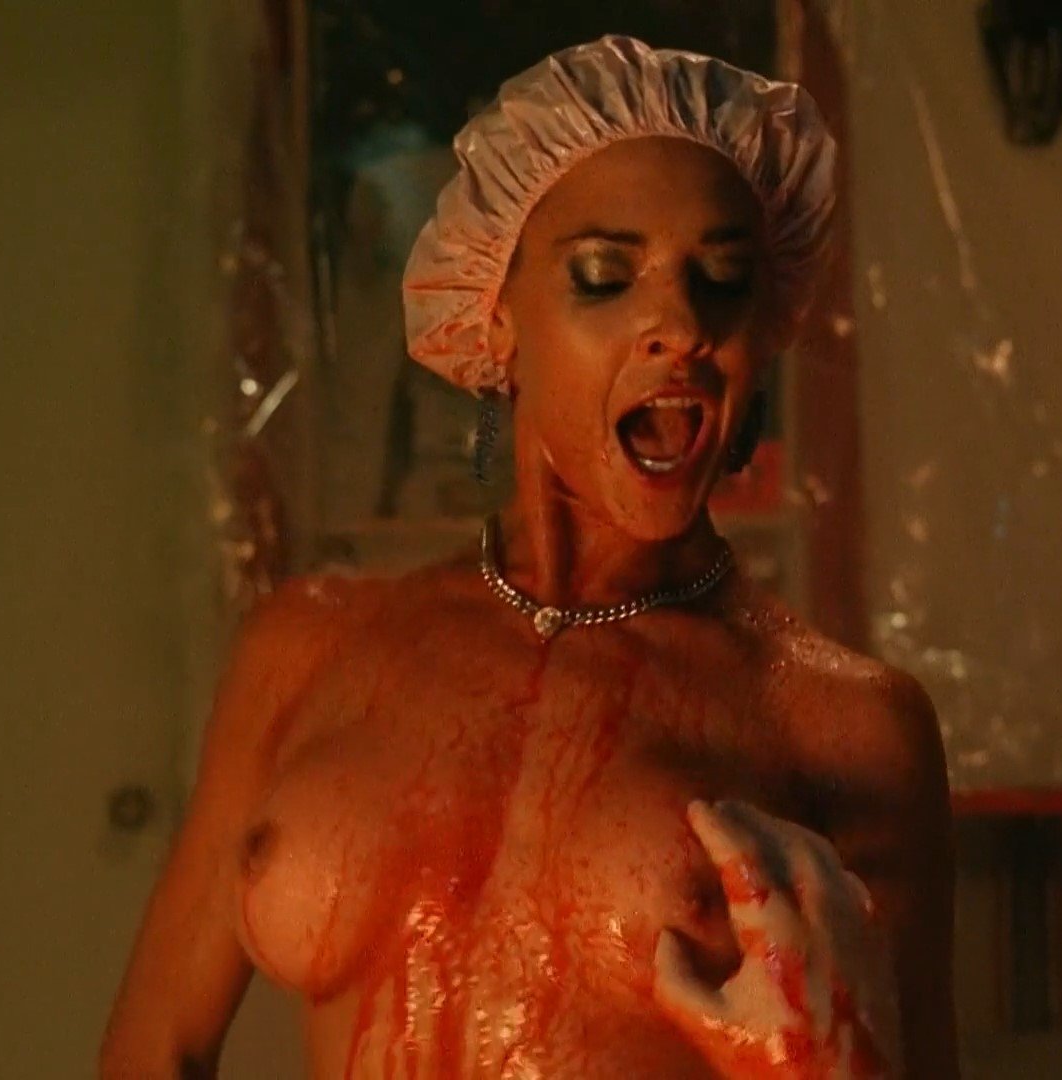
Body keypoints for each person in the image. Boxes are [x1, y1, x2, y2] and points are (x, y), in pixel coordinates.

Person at [101, 35, 958, 1078]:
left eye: (724, 279)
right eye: (604, 275)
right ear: (495, 317)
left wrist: (836, 1068)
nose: (679, 324)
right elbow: (156, 1049)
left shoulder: (844, 723)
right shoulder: (307, 652)